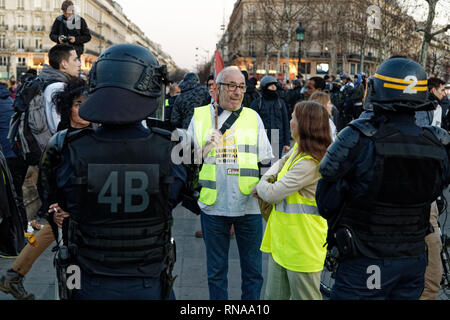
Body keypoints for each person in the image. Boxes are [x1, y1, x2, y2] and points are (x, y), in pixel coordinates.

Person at [39, 44, 186, 300]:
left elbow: (55, 200)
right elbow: (178, 197)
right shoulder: (172, 149)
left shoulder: (66, 147)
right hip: (149, 282)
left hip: (88, 281)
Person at [316, 57, 450, 300]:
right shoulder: (437, 142)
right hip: (413, 260)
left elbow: (326, 202)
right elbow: (436, 192)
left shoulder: (358, 137)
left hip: (367, 260)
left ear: (379, 90)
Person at [186, 66, 273, 300]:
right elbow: (185, 160)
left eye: (242, 87)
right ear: (217, 87)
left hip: (249, 207)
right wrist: (204, 149)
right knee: (216, 273)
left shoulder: (253, 117)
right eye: (232, 86)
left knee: (253, 272)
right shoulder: (201, 116)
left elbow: (265, 159)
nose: (237, 92)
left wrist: (266, 190)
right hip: (213, 207)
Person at [0, 78, 90, 300]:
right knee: (70, 264)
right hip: (66, 213)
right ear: (67, 108)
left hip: (81, 213)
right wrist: (55, 208)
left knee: (50, 236)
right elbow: (46, 180)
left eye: (89, 104)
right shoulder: (60, 139)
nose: (85, 109)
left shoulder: (95, 136)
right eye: (78, 104)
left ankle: (13, 276)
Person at [254, 101, 331, 300]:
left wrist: (262, 182)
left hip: (302, 248)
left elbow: (271, 193)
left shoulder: (308, 164)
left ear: (305, 124)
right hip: (284, 243)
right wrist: (269, 180)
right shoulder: (298, 150)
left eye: (294, 118)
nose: (290, 121)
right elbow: (280, 163)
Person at [0, 80, 29, 232]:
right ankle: (22, 229)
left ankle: (18, 232)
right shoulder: (9, 100)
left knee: (13, 197)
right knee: (17, 195)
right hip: (19, 154)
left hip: (8, 156)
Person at [42, 44, 81, 135]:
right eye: (75, 60)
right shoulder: (58, 87)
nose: (79, 64)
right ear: (64, 64)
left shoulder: (53, 83)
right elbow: (58, 127)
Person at [250, 75, 290, 159]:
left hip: (277, 138)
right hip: (262, 138)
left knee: (274, 166)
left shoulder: (280, 103)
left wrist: (287, 143)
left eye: (274, 85)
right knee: (264, 165)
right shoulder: (258, 103)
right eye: (270, 85)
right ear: (265, 87)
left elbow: (286, 123)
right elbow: (251, 122)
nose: (273, 87)